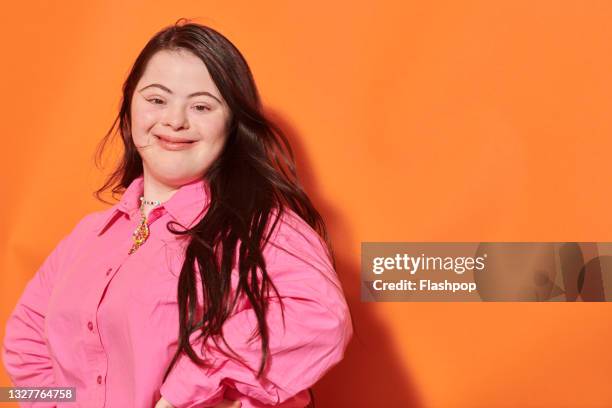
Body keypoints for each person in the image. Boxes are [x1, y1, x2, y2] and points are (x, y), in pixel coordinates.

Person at [2, 19, 353, 408]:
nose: (174, 120)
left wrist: (182, 393)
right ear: (130, 105)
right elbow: (24, 343)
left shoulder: (264, 227)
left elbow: (319, 318)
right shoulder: (88, 237)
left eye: (201, 106)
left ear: (232, 123)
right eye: (156, 99)